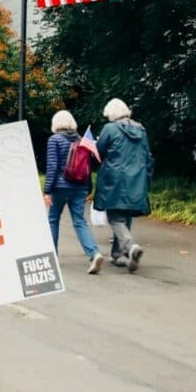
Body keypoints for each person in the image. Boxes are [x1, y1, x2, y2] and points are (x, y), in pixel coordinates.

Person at [94, 98, 153, 272]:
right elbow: (147, 156)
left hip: (115, 177)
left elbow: (99, 151)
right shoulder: (141, 129)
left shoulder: (110, 129)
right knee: (125, 214)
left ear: (112, 113)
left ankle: (130, 246)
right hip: (137, 177)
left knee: (114, 217)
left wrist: (97, 142)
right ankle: (119, 256)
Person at [43, 110, 103, 274]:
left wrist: (47, 190)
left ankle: (52, 256)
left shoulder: (54, 140)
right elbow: (87, 167)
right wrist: (88, 187)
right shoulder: (81, 140)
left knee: (53, 219)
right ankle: (94, 253)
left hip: (60, 187)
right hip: (79, 186)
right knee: (79, 221)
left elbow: (52, 167)